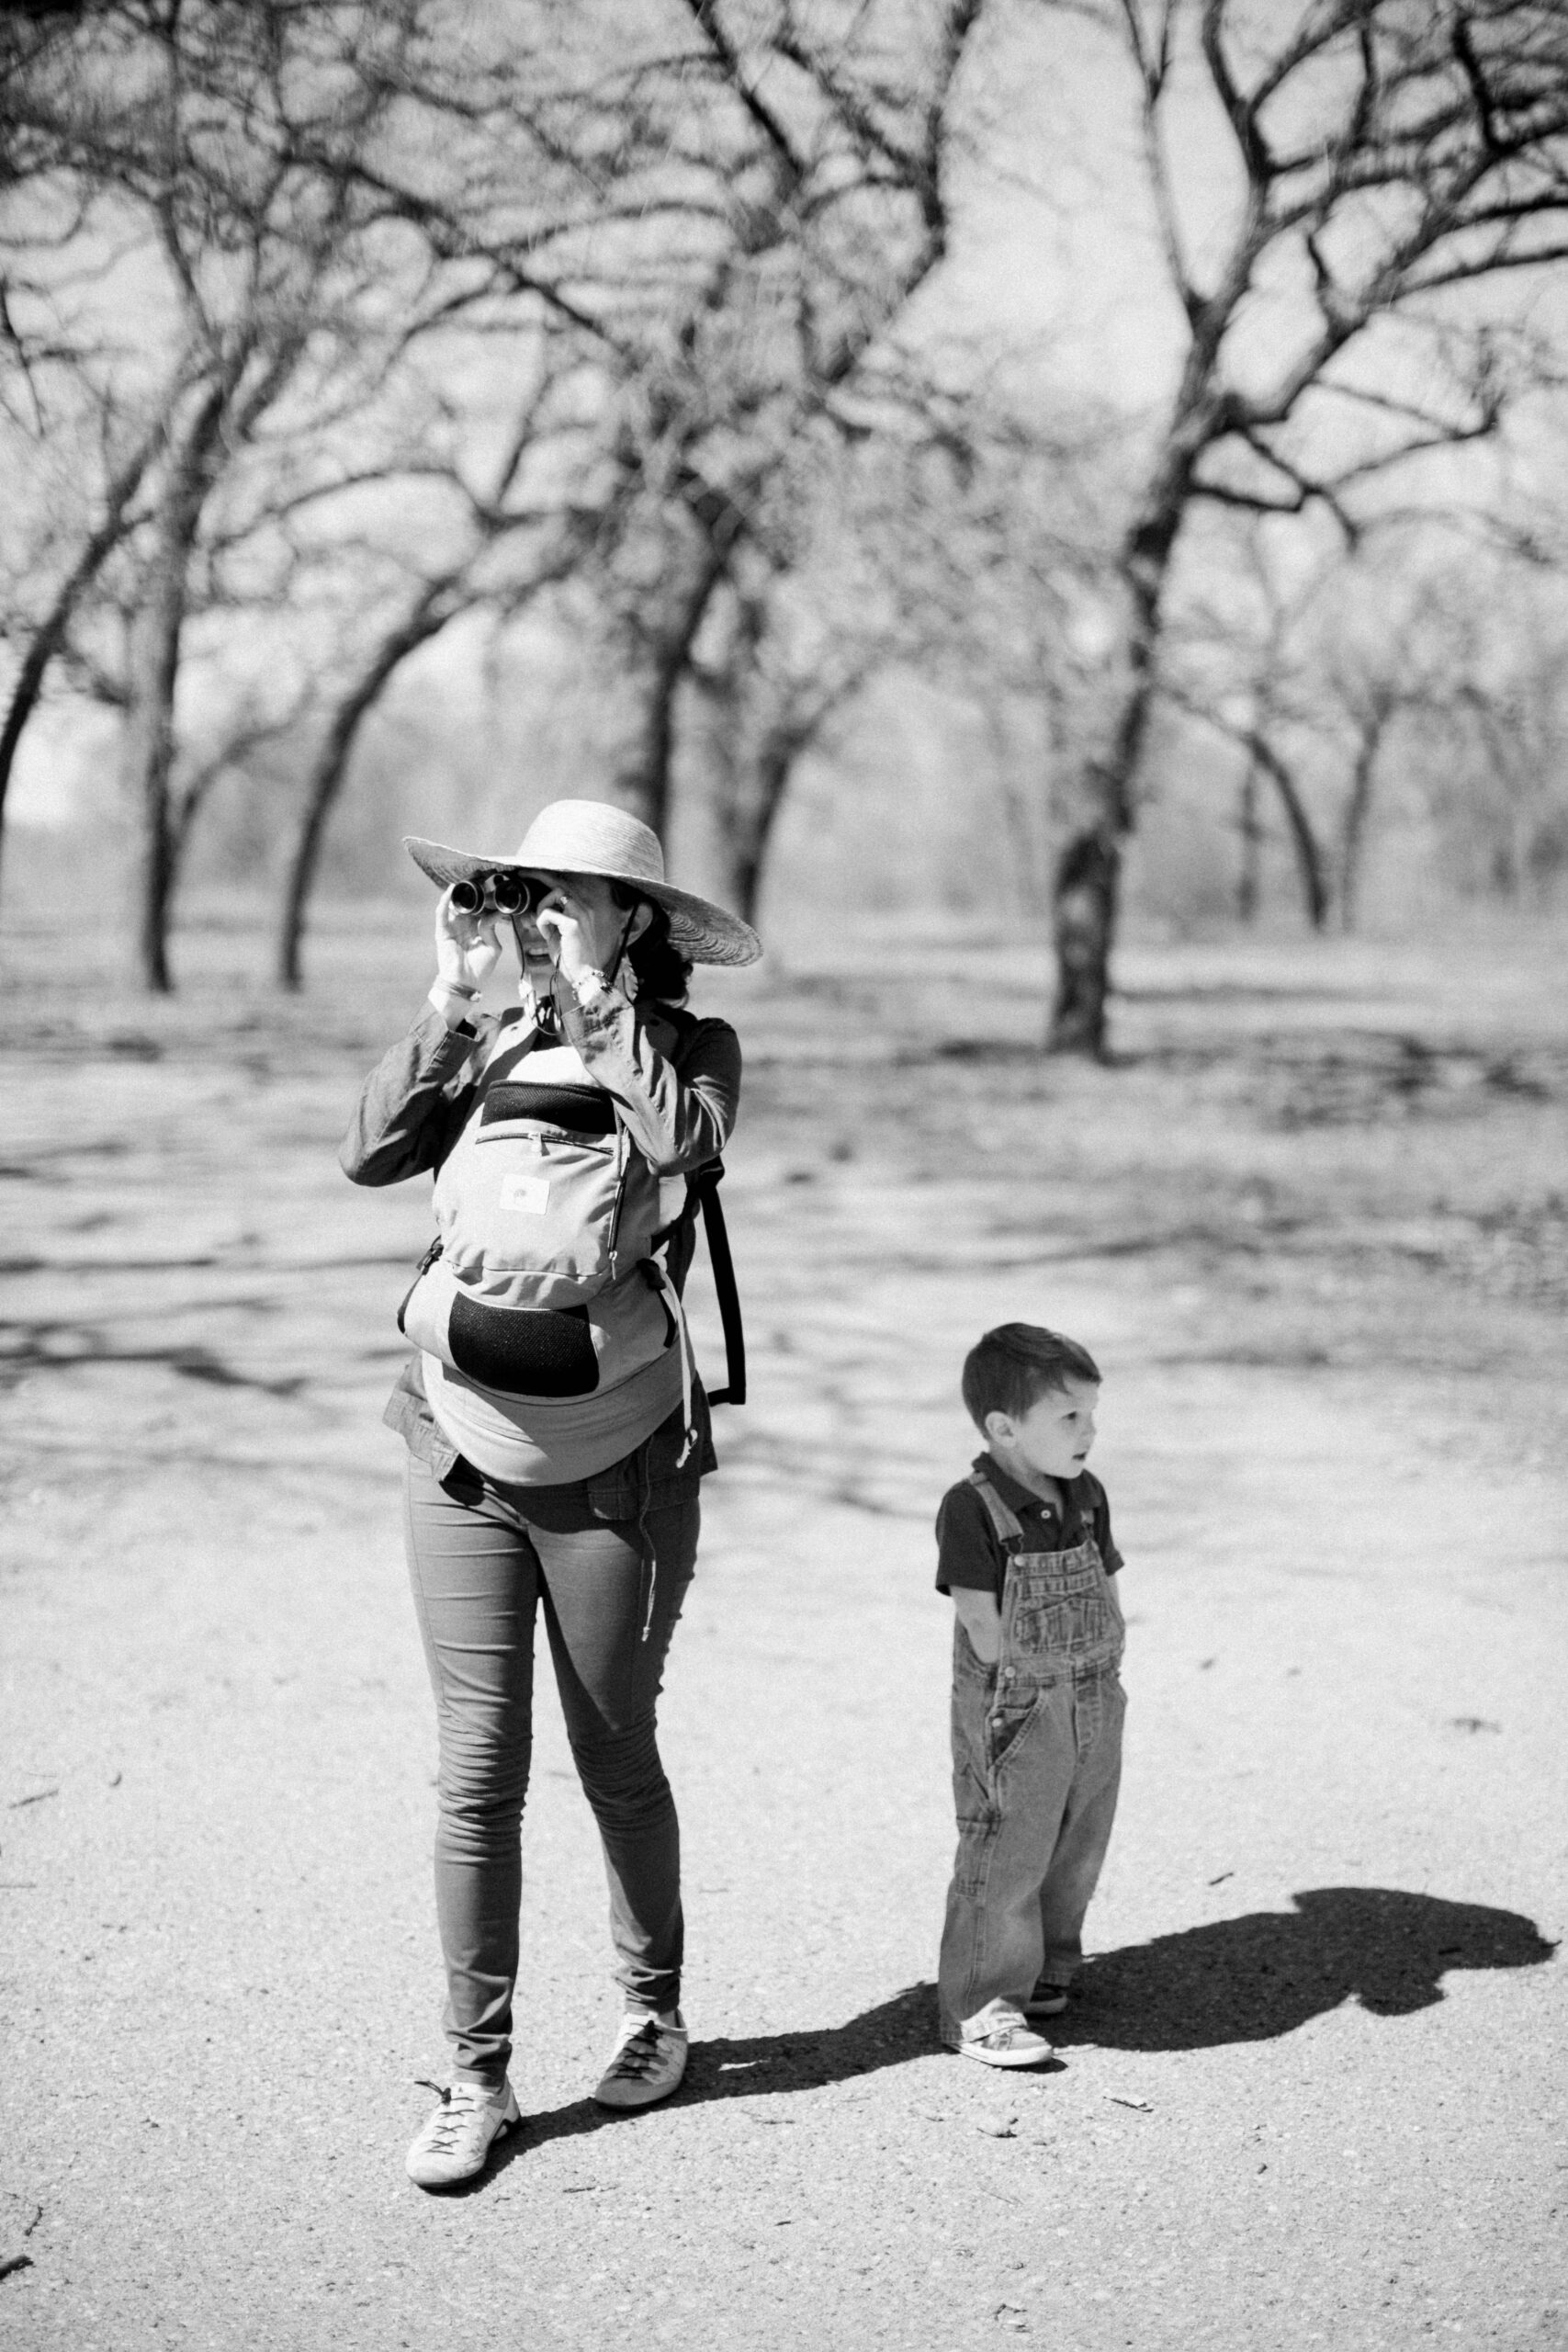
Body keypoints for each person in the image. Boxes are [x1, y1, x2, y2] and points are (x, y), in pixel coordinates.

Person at [340, 798, 760, 2188]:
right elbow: (369, 1151)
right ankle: (474, 2074)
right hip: (454, 1443)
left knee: (612, 1750)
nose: (543, 915)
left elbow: (678, 1145)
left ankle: (653, 2014)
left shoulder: (691, 1047)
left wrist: (591, 998)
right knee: (475, 1774)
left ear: (635, 918)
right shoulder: (485, 1034)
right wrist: (453, 1000)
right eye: (534, 895)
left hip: (610, 1461)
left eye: (577, 898)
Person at [935, 1323, 1125, 2067]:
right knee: (1009, 1843)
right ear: (1003, 1429)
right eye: (1069, 1417)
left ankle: (1047, 1964)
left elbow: (1106, 1579)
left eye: (1091, 1414)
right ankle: (981, 2004)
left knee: (1077, 1835)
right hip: (1017, 1706)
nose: (1089, 1431)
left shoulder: (1086, 1494)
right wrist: (1029, 1682)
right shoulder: (972, 1507)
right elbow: (980, 1619)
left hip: (1094, 1692)